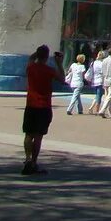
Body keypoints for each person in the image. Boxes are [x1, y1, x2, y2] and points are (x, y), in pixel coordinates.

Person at [20, 46, 65, 176]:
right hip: (44, 106)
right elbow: (62, 79)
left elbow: (31, 58)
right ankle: (34, 163)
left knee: (28, 134)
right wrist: (59, 63)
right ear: (47, 57)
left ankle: (27, 159)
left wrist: (38, 53)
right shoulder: (49, 70)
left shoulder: (30, 67)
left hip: (31, 105)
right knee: (38, 137)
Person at [86, 50, 106, 114]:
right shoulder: (103, 63)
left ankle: (91, 108)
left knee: (97, 95)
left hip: (94, 81)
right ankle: (97, 110)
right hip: (101, 81)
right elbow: (103, 72)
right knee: (99, 96)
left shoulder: (93, 62)